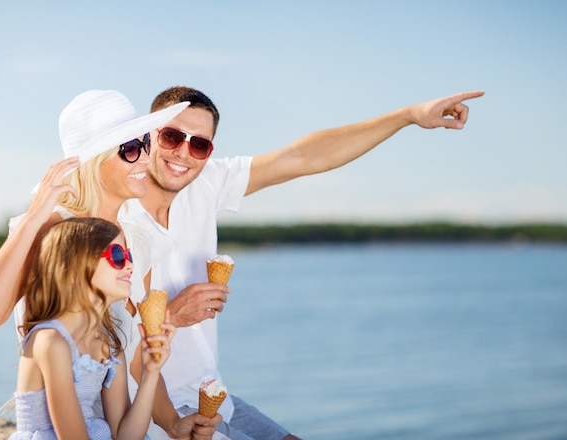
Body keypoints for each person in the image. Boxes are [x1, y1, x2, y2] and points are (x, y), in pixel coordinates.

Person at [117, 86, 485, 439]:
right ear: (149, 134)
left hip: (212, 395)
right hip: (156, 410)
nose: (183, 153)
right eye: (171, 137)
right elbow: (107, 334)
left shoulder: (205, 183)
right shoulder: (119, 221)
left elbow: (302, 157)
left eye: (199, 144)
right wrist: (172, 316)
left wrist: (408, 116)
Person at [0, 89, 220, 439]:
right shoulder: (53, 232)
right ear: (93, 160)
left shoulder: (135, 244)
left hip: (122, 424)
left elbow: (130, 353)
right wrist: (35, 215)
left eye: (146, 142)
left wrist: (174, 424)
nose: (147, 157)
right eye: (131, 149)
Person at [9, 216, 174, 439]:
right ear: (76, 266)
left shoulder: (107, 345)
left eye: (129, 255)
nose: (130, 264)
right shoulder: (51, 341)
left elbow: (124, 435)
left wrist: (151, 373)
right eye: (117, 255)